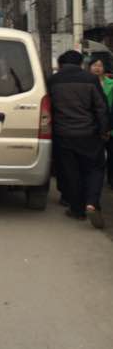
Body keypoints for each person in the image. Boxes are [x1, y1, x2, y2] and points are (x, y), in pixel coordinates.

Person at [49, 50, 109, 224]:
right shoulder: (90, 79)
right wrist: (104, 130)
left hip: (63, 134)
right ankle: (92, 203)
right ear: (81, 63)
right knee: (95, 169)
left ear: (61, 64)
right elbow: (101, 107)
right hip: (89, 134)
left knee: (72, 172)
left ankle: (76, 210)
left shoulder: (53, 80)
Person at [88, 55, 113, 188]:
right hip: (91, 124)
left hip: (110, 123)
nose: (97, 68)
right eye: (95, 65)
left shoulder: (111, 84)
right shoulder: (86, 83)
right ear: (89, 67)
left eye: (100, 65)